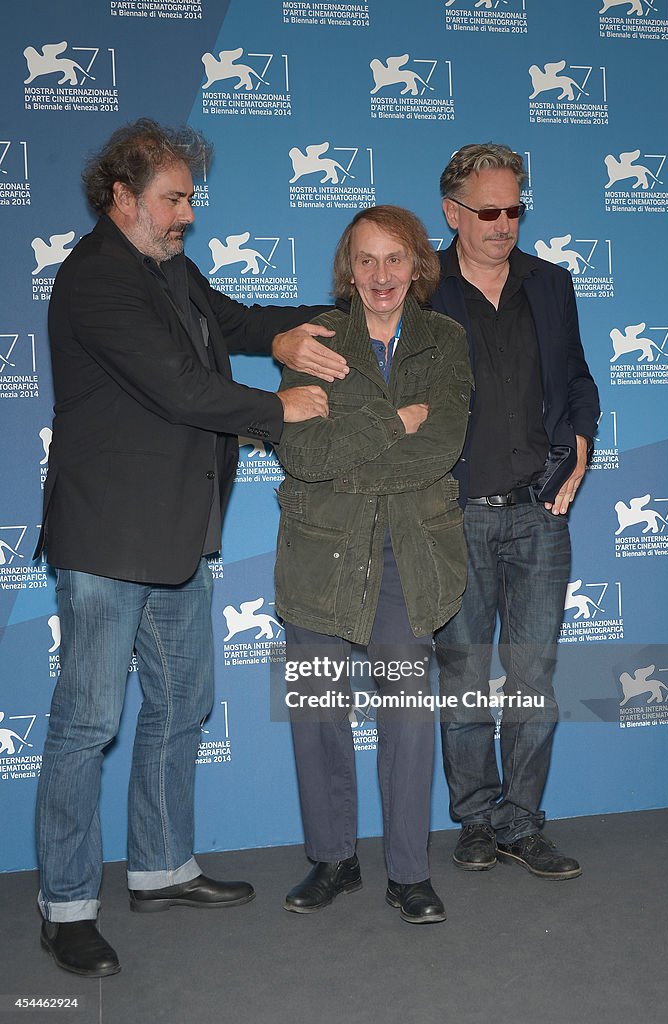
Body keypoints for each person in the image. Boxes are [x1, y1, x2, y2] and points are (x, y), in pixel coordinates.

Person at [34, 118, 348, 978]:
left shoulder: (169, 268)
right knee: (86, 723)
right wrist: (279, 407)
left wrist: (336, 318)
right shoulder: (98, 279)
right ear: (122, 198)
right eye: (172, 200)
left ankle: (162, 868)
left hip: (176, 533)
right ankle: (65, 904)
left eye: (190, 200)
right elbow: (177, 390)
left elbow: (239, 323)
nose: (187, 216)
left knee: (182, 708)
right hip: (106, 540)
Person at [274, 206, 472, 923]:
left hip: (407, 550)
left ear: (418, 265)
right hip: (320, 545)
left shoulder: (446, 339)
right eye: (366, 260)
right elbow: (299, 452)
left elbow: (441, 443)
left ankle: (409, 873)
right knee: (319, 710)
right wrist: (395, 420)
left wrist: (352, 451)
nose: (381, 275)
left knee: (409, 717)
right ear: (347, 269)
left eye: (395, 259)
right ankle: (332, 860)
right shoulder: (315, 341)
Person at [432, 143, 600, 879]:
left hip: (541, 513)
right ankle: (474, 818)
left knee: (533, 678)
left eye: (514, 210)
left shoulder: (551, 284)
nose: (504, 224)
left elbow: (580, 380)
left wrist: (584, 445)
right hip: (456, 514)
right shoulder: (419, 287)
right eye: (488, 211)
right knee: (465, 677)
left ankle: (521, 822)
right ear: (452, 212)